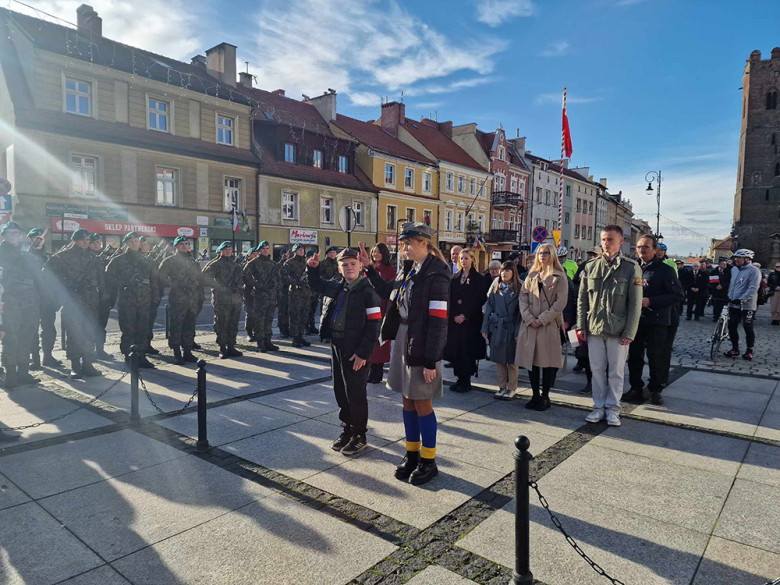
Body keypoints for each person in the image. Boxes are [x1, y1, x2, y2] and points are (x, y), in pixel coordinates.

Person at [359, 223, 450, 486]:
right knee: (407, 402)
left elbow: (439, 321)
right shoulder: (410, 269)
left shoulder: (437, 274)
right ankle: (412, 453)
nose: (405, 248)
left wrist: (431, 359)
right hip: (403, 338)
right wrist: (367, 268)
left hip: (421, 344)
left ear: (425, 243)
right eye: (403, 244)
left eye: (409, 243)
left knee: (422, 402)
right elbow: (388, 290)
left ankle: (428, 460)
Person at [307, 248, 382, 455]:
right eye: (345, 265)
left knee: (356, 392)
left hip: (356, 348)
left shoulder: (368, 291)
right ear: (340, 269)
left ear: (360, 267)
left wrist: (364, 353)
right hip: (337, 345)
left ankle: (360, 434)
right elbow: (317, 284)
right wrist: (312, 269)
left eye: (353, 264)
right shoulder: (339, 287)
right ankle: (348, 429)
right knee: (340, 390)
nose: (349, 268)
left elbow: (375, 326)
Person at [577, 225, 642, 427]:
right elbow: (582, 300)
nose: (606, 243)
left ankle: (613, 409)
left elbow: (635, 304)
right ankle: (598, 407)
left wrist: (630, 332)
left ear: (621, 241)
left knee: (615, 372)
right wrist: (581, 326)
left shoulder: (631, 267)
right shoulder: (590, 266)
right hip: (595, 328)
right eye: (604, 239)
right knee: (596, 371)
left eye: (611, 239)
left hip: (618, 330)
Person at [622, 236, 683, 406]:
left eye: (647, 247)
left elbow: (677, 295)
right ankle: (635, 388)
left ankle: (656, 389)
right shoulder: (632, 268)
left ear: (655, 250)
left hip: (658, 320)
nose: (642, 250)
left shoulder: (665, 270)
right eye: (639, 246)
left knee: (656, 356)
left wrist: (651, 301)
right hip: (636, 320)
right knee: (634, 356)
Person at [44, 229, 104, 379]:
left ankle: (88, 364)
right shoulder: (63, 256)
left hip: (91, 299)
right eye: (82, 239)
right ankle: (75, 366)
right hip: (73, 300)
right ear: (75, 240)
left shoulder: (93, 257)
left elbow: (101, 279)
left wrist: (103, 296)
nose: (86, 242)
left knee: (89, 331)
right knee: (74, 332)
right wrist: (65, 286)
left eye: (87, 239)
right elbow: (47, 274)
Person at [516, 243, 568, 411]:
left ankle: (545, 396)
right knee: (531, 361)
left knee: (547, 362)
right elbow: (522, 299)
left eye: (546, 253)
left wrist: (542, 319)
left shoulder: (559, 276)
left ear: (552, 255)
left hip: (548, 325)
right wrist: (529, 318)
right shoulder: (532, 275)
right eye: (540, 253)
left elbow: (560, 303)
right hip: (530, 325)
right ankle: (534, 395)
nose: (543, 256)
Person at [105, 232, 157, 369]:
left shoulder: (147, 261)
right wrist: (124, 283)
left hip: (144, 300)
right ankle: (129, 356)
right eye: (131, 241)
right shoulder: (118, 260)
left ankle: (142, 356)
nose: (134, 243)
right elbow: (109, 279)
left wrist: (155, 297)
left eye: (136, 241)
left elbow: (154, 280)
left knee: (143, 329)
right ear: (126, 243)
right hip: (127, 300)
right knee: (128, 329)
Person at [0, 222, 42, 388]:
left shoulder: (27, 255)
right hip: (9, 301)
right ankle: (10, 375)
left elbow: (39, 277)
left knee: (27, 336)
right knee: (10, 337)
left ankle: (23, 372)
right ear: (3, 236)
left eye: (16, 233)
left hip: (29, 302)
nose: (13, 236)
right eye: (9, 233)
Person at [443, 248, 486, 393]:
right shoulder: (454, 278)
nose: (463, 261)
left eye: (466, 258)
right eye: (461, 258)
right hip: (455, 320)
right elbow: (450, 298)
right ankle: (458, 378)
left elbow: (478, 299)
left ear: (472, 259)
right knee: (455, 350)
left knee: (466, 351)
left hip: (470, 321)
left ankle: (466, 381)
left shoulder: (478, 278)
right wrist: (454, 315)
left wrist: (465, 315)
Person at [157, 236, 203, 365]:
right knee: (176, 325)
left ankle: (187, 351)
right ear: (176, 247)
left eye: (186, 244)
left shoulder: (194, 262)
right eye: (181, 244)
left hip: (192, 299)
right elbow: (160, 277)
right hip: (178, 298)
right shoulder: (169, 261)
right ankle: (176, 352)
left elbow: (199, 281)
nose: (184, 246)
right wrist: (174, 284)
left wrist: (200, 297)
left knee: (189, 325)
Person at [482, 262, 521, 400]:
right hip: (497, 327)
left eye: (507, 271)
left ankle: (512, 388)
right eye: (502, 271)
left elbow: (520, 314)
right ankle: (501, 386)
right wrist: (485, 328)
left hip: (511, 327)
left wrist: (518, 332)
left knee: (511, 361)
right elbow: (488, 310)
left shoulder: (519, 289)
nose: (504, 273)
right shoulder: (496, 289)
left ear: (513, 272)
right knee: (499, 360)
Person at [202, 241, 244, 359]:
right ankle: (222, 348)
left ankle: (231, 346)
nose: (228, 251)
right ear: (220, 251)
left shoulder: (236, 265)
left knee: (233, 323)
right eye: (225, 249)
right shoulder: (215, 264)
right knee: (222, 323)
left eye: (230, 249)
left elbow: (241, 280)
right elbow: (205, 277)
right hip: (222, 299)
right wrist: (220, 287)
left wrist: (237, 288)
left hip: (235, 299)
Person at [26, 228, 59, 369]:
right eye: (35, 238)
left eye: (41, 237)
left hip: (47, 300)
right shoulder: (25, 256)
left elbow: (57, 280)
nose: (38, 240)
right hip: (30, 299)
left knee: (49, 329)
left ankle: (48, 356)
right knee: (31, 329)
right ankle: (35, 358)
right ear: (30, 239)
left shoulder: (50, 258)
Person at [724, 249, 762, 361]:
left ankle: (749, 350)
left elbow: (753, 288)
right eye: (736, 258)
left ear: (747, 259)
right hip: (734, 303)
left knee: (747, 327)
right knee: (732, 325)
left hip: (747, 305)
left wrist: (742, 299)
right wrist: (729, 296)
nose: (736, 260)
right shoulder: (734, 269)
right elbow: (732, 285)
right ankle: (735, 349)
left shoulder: (754, 271)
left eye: (739, 258)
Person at [243, 241, 281, 352]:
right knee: (260, 320)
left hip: (271, 296)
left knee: (269, 320)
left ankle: (268, 341)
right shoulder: (253, 263)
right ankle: (260, 344)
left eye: (267, 248)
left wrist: (275, 286)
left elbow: (278, 278)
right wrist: (258, 285)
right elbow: (245, 276)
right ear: (259, 250)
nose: (265, 250)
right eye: (263, 248)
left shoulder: (273, 263)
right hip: (260, 296)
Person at [367, 243, 396, 384]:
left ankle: (378, 372)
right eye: (373, 252)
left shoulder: (390, 270)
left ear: (384, 254)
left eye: (378, 252)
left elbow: (388, 290)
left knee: (381, 342)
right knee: (371, 339)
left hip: (383, 307)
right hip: (370, 306)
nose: (375, 254)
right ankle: (372, 370)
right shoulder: (369, 269)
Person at [283, 244, 312, 348]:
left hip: (306, 292)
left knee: (304, 316)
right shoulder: (289, 263)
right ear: (294, 251)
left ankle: (301, 336)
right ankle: (295, 338)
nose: (301, 251)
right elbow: (284, 277)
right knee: (295, 316)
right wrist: (295, 282)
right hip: (295, 292)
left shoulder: (306, 262)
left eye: (302, 249)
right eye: (299, 250)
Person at [139, 236, 164, 357]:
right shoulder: (135, 259)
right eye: (143, 244)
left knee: (150, 322)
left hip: (153, 295)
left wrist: (158, 294)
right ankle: (138, 349)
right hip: (139, 297)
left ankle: (147, 344)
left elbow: (158, 278)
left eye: (147, 244)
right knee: (139, 324)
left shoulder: (153, 259)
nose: (145, 246)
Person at [243, 246, 260, 342]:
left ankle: (257, 332)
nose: (256, 255)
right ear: (249, 255)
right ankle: (249, 333)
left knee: (259, 314)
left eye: (257, 253)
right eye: (253, 253)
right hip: (248, 293)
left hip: (259, 293)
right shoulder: (245, 265)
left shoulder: (260, 264)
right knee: (250, 314)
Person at [709, 258, 732, 322]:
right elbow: (711, 281)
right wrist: (716, 286)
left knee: (724, 305)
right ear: (719, 264)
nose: (725, 265)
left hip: (724, 291)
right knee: (716, 305)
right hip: (716, 291)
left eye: (725, 264)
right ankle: (716, 316)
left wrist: (722, 286)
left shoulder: (728, 272)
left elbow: (729, 281)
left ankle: (723, 317)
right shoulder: (714, 272)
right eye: (723, 264)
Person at [276, 248, 291, 337]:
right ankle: (282, 330)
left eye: (287, 254)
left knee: (288, 311)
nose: (286, 256)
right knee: (282, 312)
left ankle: (287, 328)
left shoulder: (290, 264)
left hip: (289, 291)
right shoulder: (279, 264)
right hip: (281, 291)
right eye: (284, 254)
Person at [769, 261, 780, 325]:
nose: (778, 268)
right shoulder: (772, 274)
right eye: (777, 267)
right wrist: (775, 287)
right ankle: (774, 318)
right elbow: (769, 283)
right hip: (774, 291)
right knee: (774, 306)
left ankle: (778, 318)